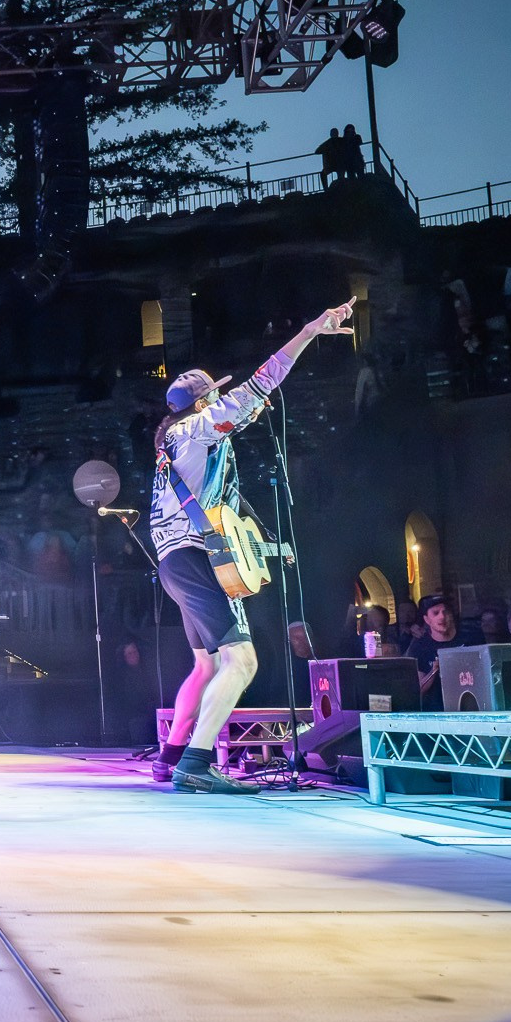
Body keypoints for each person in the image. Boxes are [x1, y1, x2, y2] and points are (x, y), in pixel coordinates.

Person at [149, 296, 357, 794]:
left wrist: (264, 548)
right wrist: (309, 330)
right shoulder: (198, 430)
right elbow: (260, 382)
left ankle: (172, 754)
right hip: (195, 558)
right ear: (203, 405)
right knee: (242, 661)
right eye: (215, 397)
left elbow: (222, 515)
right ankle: (196, 763)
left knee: (205, 664)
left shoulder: (178, 444)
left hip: (179, 561)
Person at [405, 594, 482, 708]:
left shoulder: (471, 637)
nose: (442, 616)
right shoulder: (420, 646)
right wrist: (434, 670)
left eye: (446, 612)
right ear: (427, 619)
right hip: (436, 711)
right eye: (436, 613)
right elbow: (417, 690)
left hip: (471, 708)